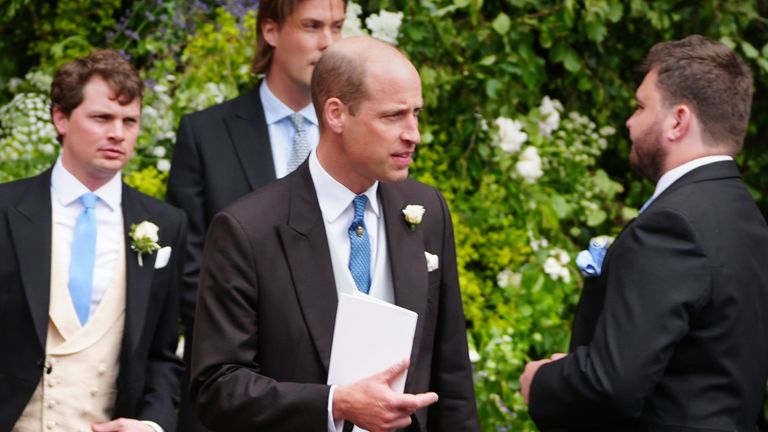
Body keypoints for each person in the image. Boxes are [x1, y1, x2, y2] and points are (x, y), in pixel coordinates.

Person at [190, 35, 480, 431]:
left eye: (416, 114)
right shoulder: (247, 230)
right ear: (336, 114)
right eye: (394, 116)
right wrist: (334, 403)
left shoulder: (427, 211)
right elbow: (217, 387)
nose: (414, 134)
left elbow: (452, 373)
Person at [519, 34, 768, 430]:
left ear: (678, 120)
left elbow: (613, 382)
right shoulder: (746, 216)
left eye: (639, 106)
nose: (630, 122)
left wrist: (544, 382)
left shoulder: (674, 225)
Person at [165, 2, 345, 428]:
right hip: (233, 385)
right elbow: (188, 267)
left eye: (337, 27)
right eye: (312, 26)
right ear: (270, 31)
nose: (328, 43)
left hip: (340, 389)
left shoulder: (355, 134)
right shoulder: (205, 134)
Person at [0, 50, 186, 431]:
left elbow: (162, 355)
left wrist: (152, 425)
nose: (118, 132)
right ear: (61, 118)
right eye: (102, 118)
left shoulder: (166, 224)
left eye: (129, 121)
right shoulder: (5, 209)